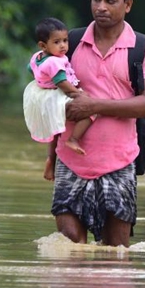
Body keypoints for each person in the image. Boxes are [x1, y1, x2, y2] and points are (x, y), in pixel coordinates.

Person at [54, 0, 145, 247]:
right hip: (70, 161)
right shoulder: (70, 43)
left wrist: (95, 105)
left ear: (127, 5)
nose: (101, 7)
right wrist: (48, 154)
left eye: (110, 1)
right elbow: (45, 93)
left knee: (116, 254)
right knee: (69, 249)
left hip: (119, 163)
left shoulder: (143, 48)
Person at [23, 17, 93, 181]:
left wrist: (42, 79)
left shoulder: (38, 57)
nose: (63, 45)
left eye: (65, 40)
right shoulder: (55, 62)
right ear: (43, 45)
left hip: (43, 96)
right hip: (59, 94)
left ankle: (50, 160)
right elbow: (62, 82)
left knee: (56, 130)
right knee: (92, 111)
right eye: (57, 42)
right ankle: (74, 139)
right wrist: (79, 94)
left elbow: (31, 68)